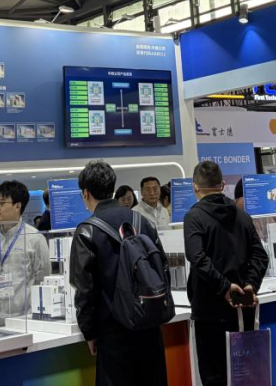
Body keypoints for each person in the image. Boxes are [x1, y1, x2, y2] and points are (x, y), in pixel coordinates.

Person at [70, 161, 169, 386]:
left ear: (86, 193)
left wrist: (89, 332)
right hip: (149, 325)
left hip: (113, 332)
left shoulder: (87, 231)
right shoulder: (143, 222)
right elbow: (162, 267)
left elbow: (85, 289)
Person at [183, 161, 269, 386]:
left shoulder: (194, 217)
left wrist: (224, 287)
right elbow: (261, 256)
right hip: (242, 308)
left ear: (195, 187)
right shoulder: (242, 216)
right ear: (222, 185)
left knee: (214, 377)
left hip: (209, 312)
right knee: (245, 377)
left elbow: (197, 257)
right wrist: (250, 285)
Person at [0, 181, 51, 325]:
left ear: (17, 206)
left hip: (22, 321)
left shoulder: (34, 239)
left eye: (2, 203)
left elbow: (42, 279)